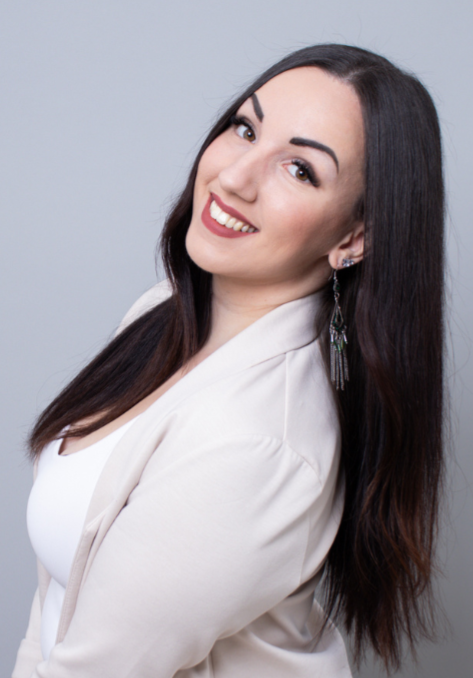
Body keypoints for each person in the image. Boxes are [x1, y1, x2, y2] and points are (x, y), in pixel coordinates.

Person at [13, 44, 445, 678]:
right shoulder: (163, 311)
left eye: (299, 169)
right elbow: (58, 590)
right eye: (246, 129)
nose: (236, 178)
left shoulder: (257, 441)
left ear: (353, 238)